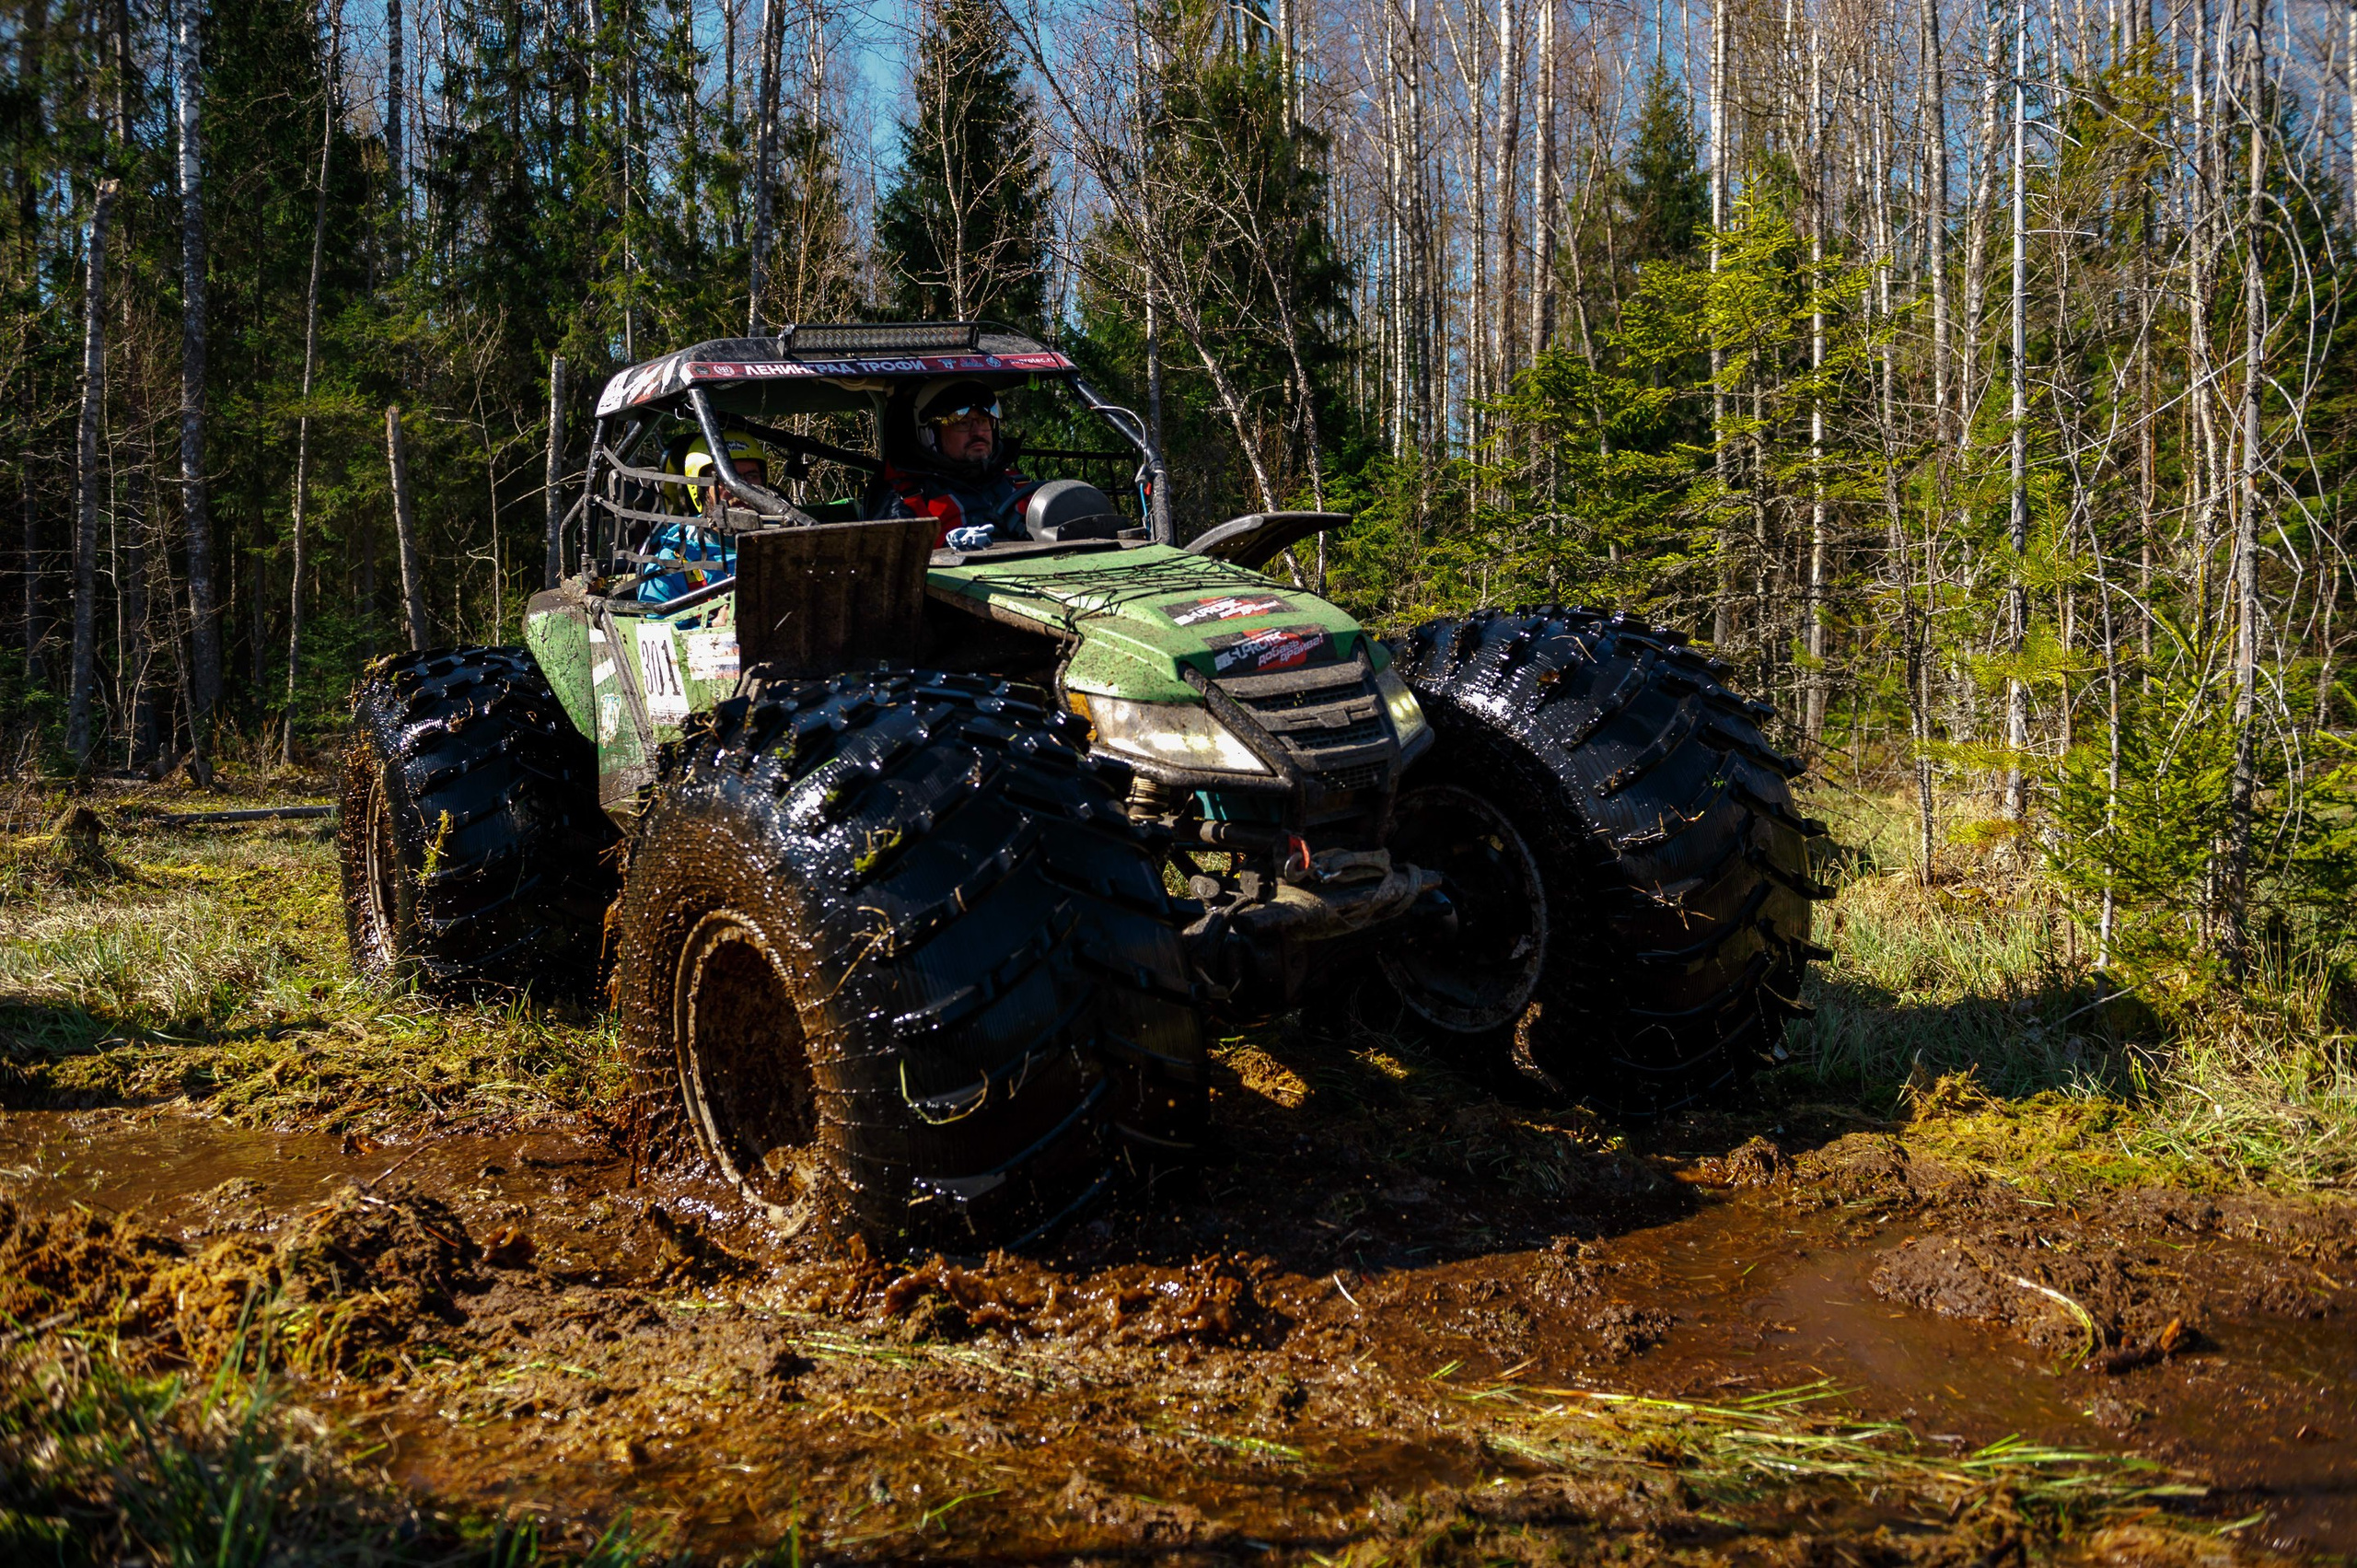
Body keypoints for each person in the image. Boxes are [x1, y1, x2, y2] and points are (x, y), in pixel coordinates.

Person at [881, 378, 1039, 546]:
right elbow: (894, 557)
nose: (978, 432)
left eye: (983, 421)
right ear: (930, 433)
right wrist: (949, 548)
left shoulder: (1019, 485)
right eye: (963, 423)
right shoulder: (906, 499)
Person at [635, 430, 769, 603]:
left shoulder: (789, 539)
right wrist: (714, 620)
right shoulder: (672, 562)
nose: (743, 490)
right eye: (726, 479)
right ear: (699, 489)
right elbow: (656, 619)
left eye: (751, 476)